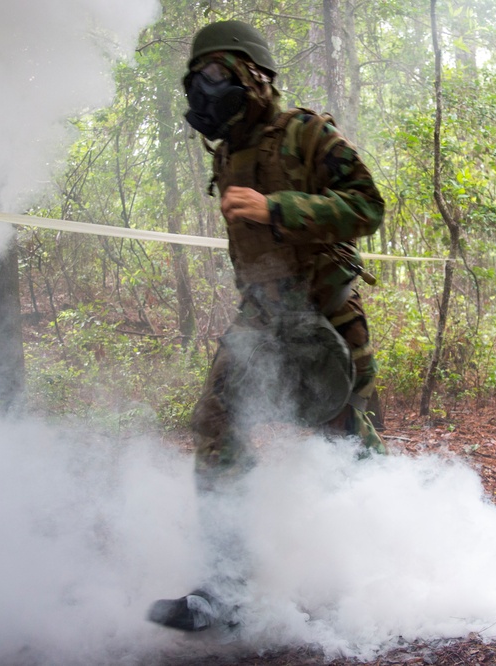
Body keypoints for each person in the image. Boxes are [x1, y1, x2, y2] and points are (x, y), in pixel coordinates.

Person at [148, 20, 385, 632]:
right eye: (196, 80)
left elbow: (368, 207)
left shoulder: (307, 133)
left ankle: (383, 571)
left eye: (216, 75)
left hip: (328, 318)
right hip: (261, 318)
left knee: (352, 450)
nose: (205, 91)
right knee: (215, 427)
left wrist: (276, 208)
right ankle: (223, 587)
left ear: (254, 75)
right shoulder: (225, 150)